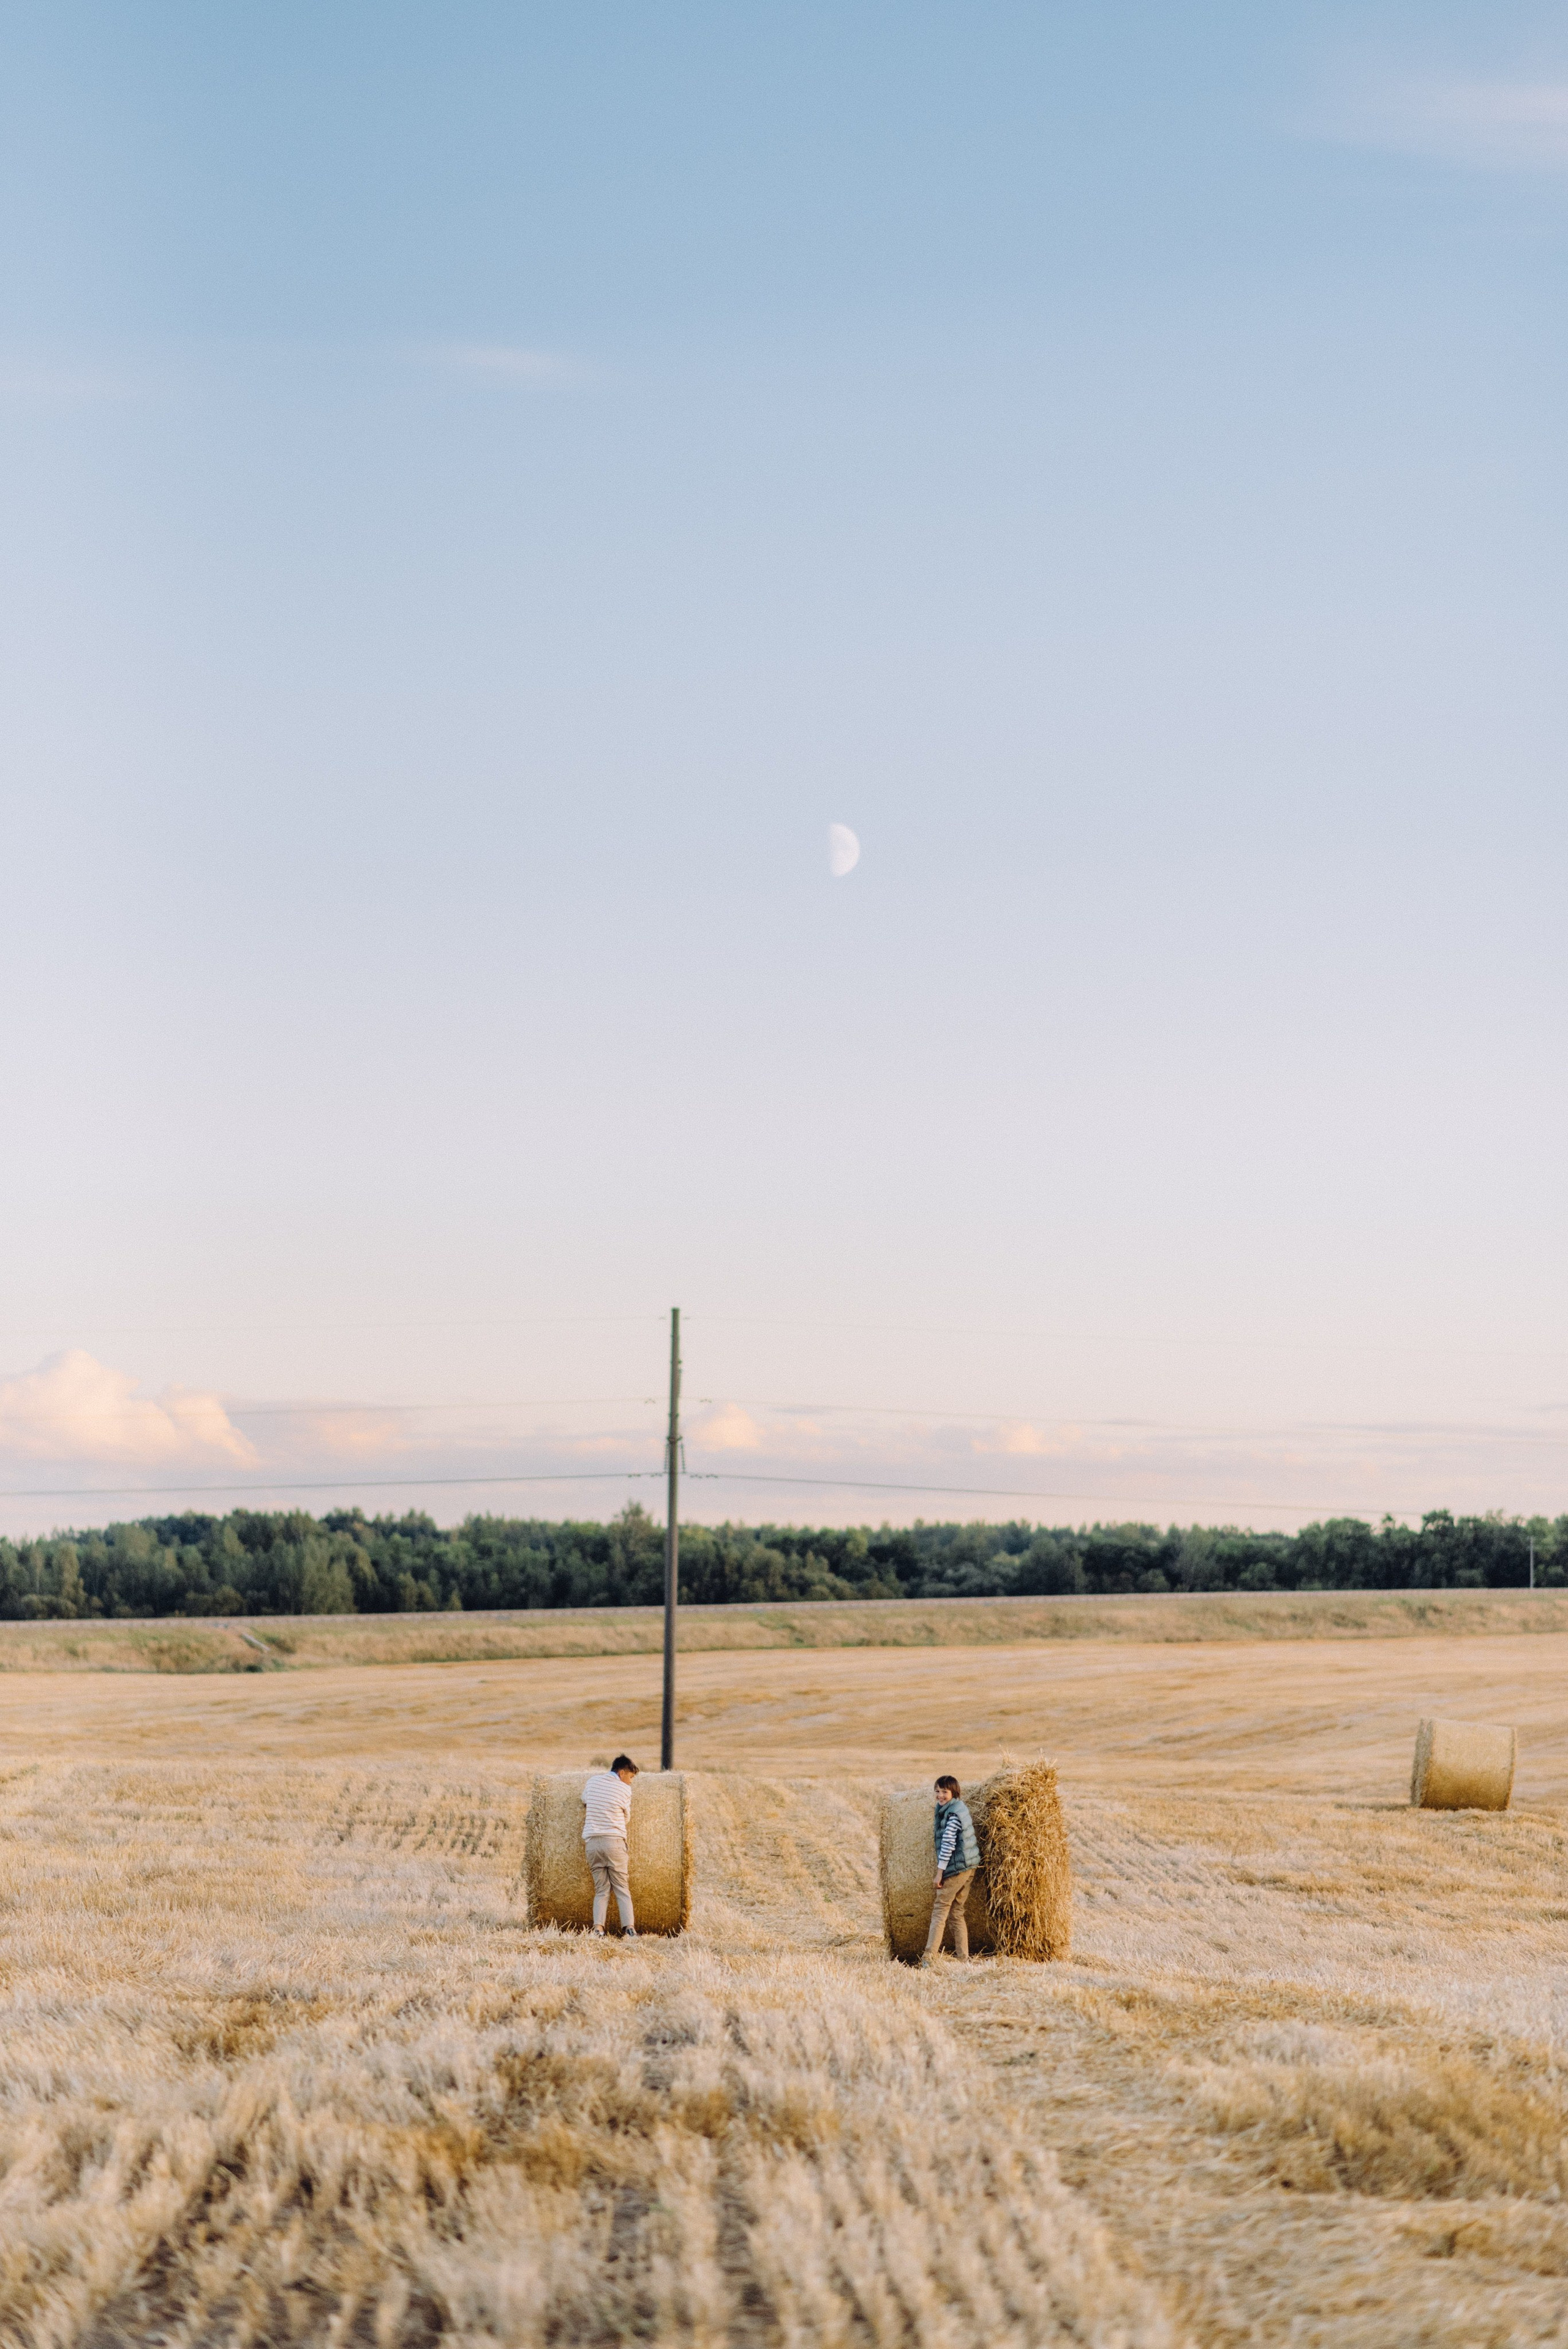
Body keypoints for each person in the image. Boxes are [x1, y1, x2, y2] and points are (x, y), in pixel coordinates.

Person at [922, 1773, 980, 1965]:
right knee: (956, 1912)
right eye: (937, 1791)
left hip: (958, 1868)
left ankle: (929, 1958)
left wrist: (939, 1873)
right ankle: (963, 1958)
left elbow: (948, 1845)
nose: (940, 1795)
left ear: (954, 1793)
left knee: (940, 1910)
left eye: (944, 1792)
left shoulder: (953, 1814)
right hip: (970, 1866)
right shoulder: (958, 1808)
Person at [581, 1754, 639, 1937]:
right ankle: (629, 1929)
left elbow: (584, 1799)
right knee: (622, 1888)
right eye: (630, 1777)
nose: (630, 1782)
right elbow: (626, 1816)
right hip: (614, 1842)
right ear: (622, 1773)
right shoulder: (624, 1790)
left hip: (593, 1844)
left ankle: (598, 1929)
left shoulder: (592, 1782)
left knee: (601, 1890)